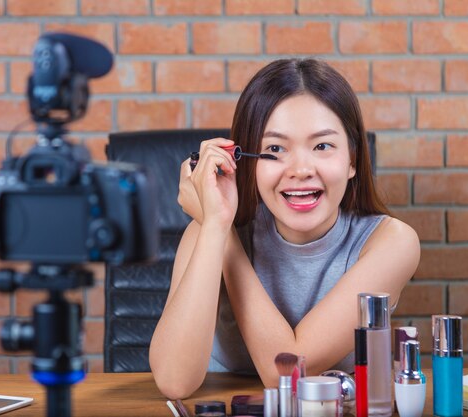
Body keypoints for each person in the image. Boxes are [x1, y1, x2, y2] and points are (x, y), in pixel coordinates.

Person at [148, 58, 420, 400]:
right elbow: (174, 382)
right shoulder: (209, 232)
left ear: (352, 160)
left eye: (322, 146)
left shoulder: (391, 242)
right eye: (275, 149)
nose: (301, 169)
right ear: (245, 162)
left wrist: (223, 235)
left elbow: (287, 374)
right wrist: (217, 226)